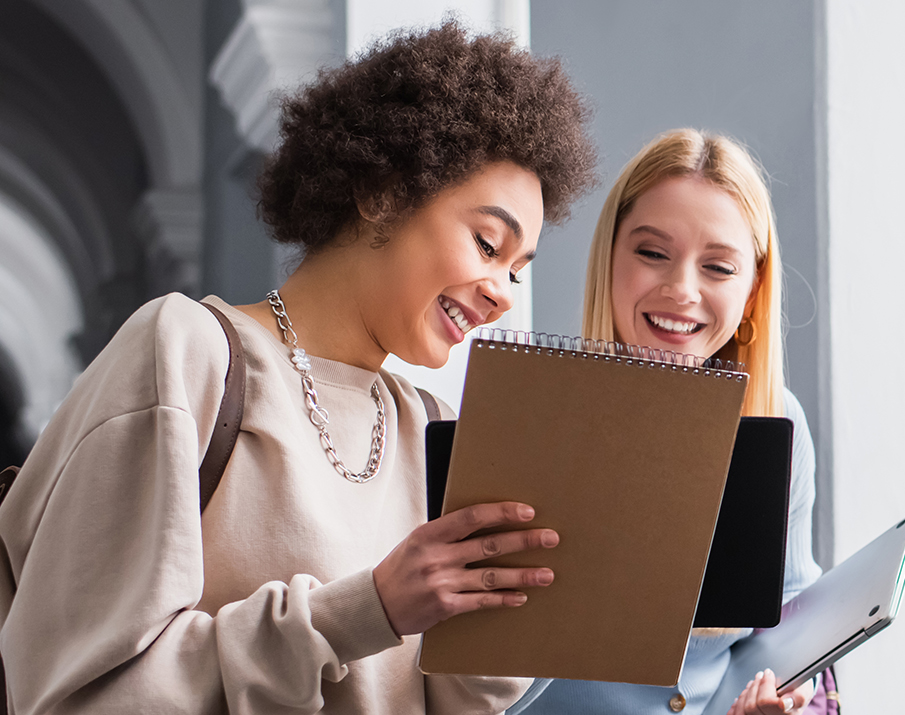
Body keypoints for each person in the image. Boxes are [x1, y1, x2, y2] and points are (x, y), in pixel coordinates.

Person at [0, 21, 595, 714]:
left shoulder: (431, 429)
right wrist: (361, 610)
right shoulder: (186, 352)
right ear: (382, 192)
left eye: (520, 271)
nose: (501, 292)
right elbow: (76, 693)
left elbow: (449, 702)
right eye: (488, 243)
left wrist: (528, 614)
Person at [512, 130, 823, 715]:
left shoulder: (776, 422)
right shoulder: (532, 416)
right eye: (653, 253)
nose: (681, 289)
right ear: (610, 259)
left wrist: (777, 699)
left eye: (719, 267)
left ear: (753, 290)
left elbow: (787, 615)